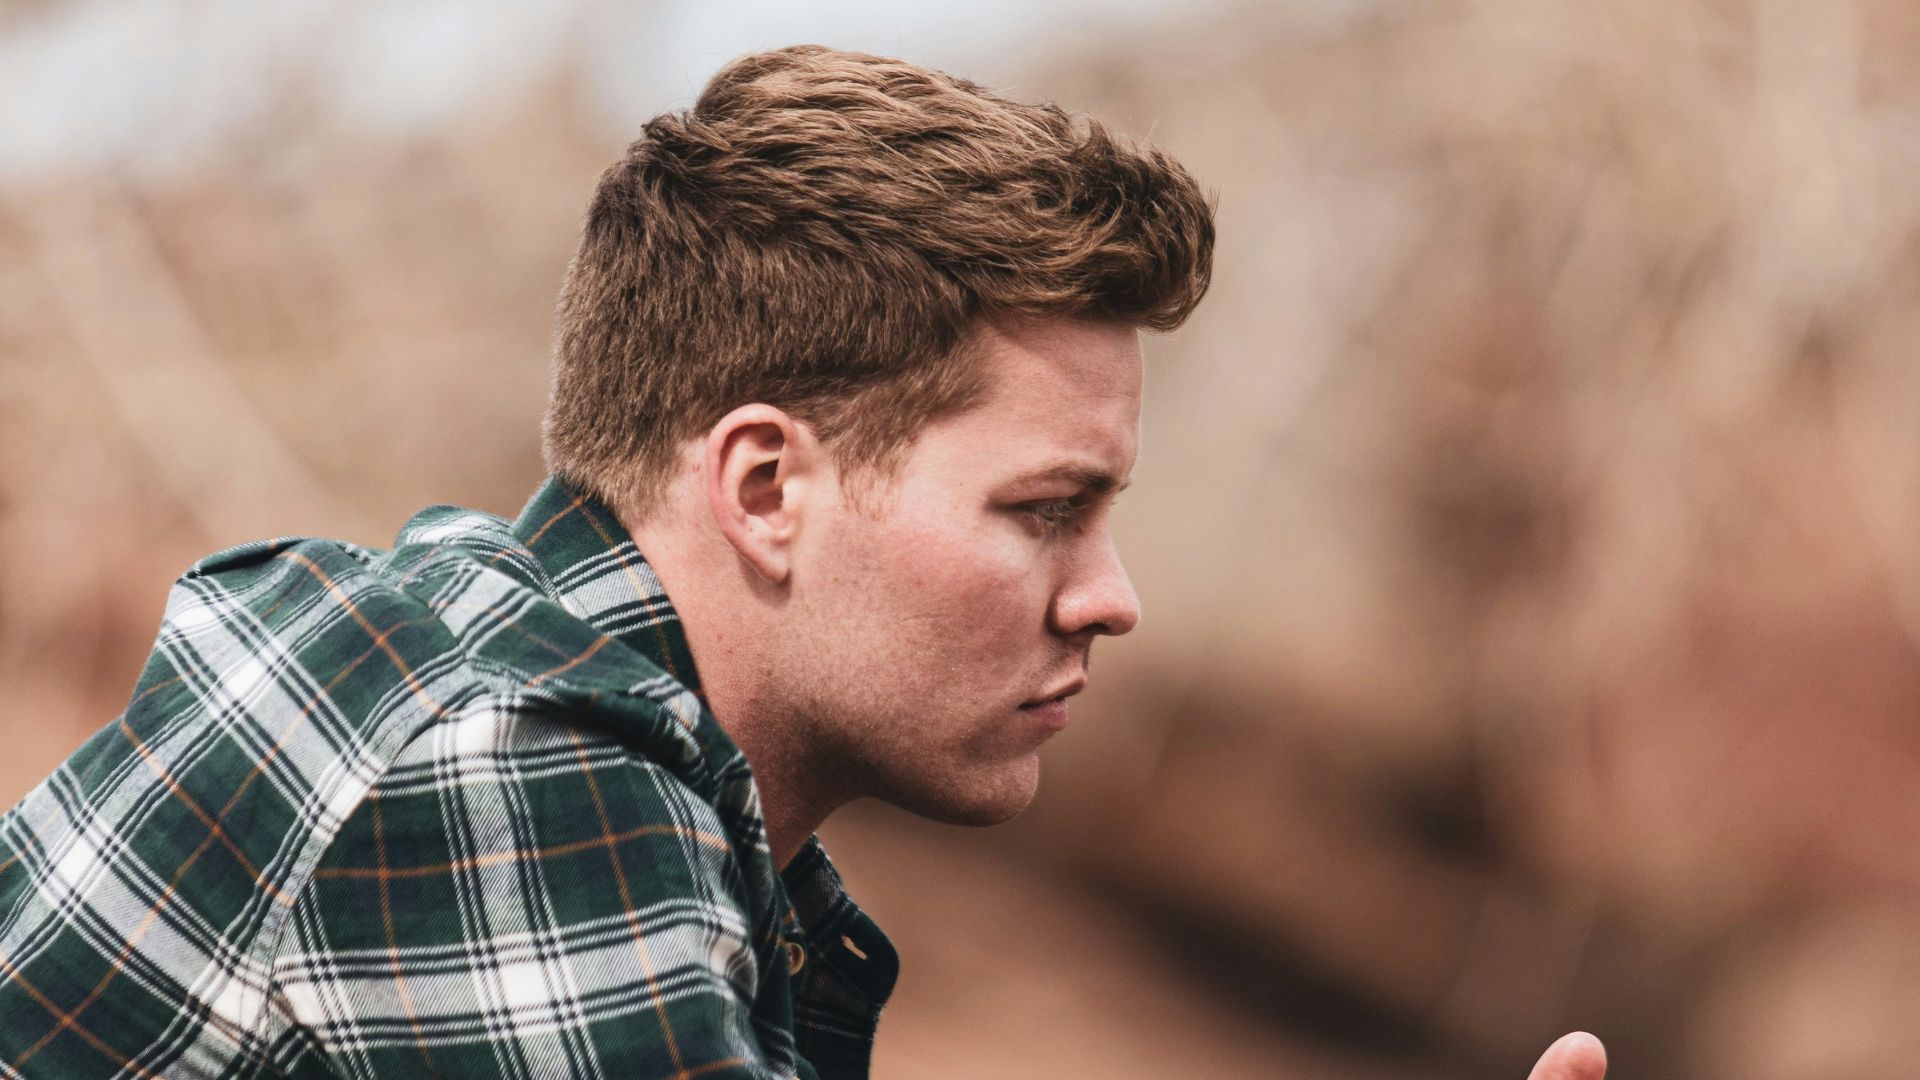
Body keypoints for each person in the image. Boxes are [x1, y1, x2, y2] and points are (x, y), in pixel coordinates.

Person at [0, 44, 1605, 1080]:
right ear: (766, 485)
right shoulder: (510, 762)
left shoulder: (524, 688)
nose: (1112, 595)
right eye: (1043, 510)